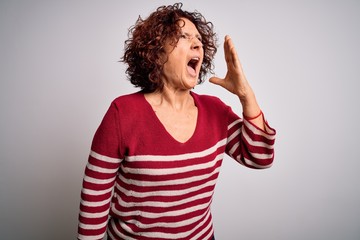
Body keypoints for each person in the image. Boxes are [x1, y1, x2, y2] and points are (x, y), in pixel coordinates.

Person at [77, 2, 276, 240]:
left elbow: (260, 157)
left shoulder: (215, 111)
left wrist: (246, 95)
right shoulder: (123, 113)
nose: (197, 44)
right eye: (184, 36)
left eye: (199, 40)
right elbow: (94, 199)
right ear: (156, 51)